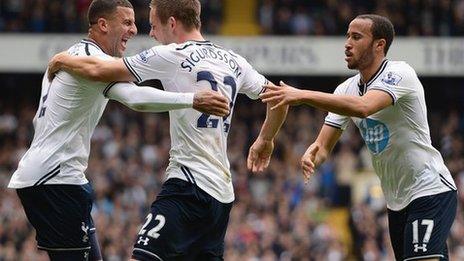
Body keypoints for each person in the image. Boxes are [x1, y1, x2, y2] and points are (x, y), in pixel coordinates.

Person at [47, 0, 288, 260]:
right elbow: (279, 98)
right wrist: (266, 138)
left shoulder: (171, 54)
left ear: (171, 23)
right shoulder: (234, 60)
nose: (150, 34)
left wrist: (62, 59)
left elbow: (100, 69)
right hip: (222, 197)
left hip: (187, 187)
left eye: (153, 26)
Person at [8, 1, 230, 261]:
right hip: (55, 181)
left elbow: (38, 120)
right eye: (126, 22)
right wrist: (191, 99)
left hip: (60, 178)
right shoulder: (92, 62)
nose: (135, 29)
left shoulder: (68, 57)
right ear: (103, 24)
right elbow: (135, 98)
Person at [260, 14, 457, 261]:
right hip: (397, 202)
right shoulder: (346, 89)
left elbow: (364, 107)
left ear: (379, 44)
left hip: (430, 189)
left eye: (356, 37)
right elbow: (322, 146)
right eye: (347, 36)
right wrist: (313, 155)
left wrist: (301, 95)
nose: (347, 43)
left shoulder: (400, 73)